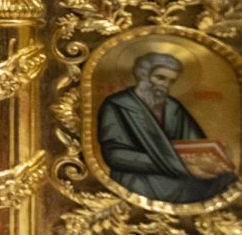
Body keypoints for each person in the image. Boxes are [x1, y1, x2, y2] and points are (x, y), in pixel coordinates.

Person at [97, 52, 237, 204]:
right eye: (160, 77)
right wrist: (177, 165)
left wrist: (214, 158)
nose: (165, 84)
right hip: (141, 176)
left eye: (171, 81)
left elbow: (194, 145)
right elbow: (115, 156)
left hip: (180, 172)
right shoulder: (118, 105)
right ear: (143, 75)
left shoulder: (173, 107)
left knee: (226, 179)